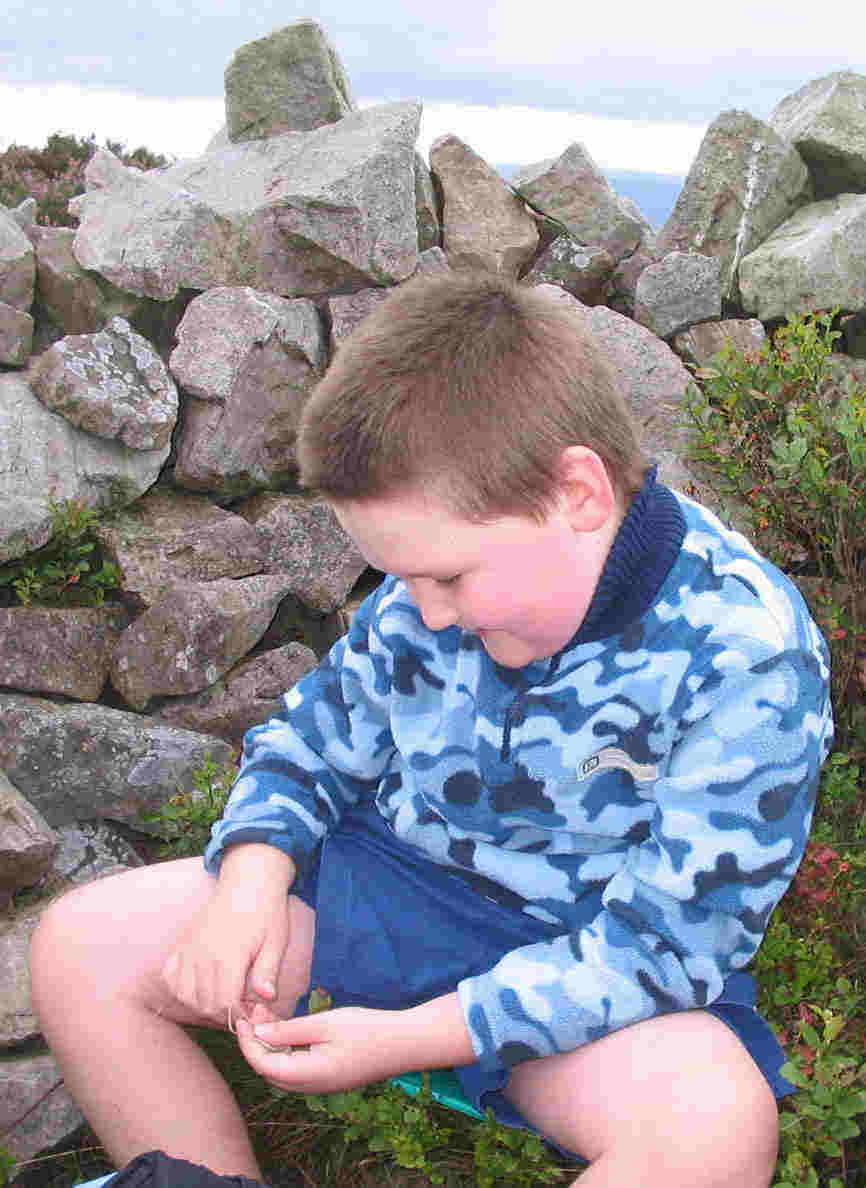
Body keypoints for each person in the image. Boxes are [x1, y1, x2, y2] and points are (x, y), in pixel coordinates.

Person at [30, 273, 833, 1188]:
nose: (426, 614)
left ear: (578, 492)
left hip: (584, 968)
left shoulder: (747, 654)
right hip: (388, 891)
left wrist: (403, 1040)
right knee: (81, 945)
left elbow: (670, 948)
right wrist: (251, 880)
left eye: (448, 579)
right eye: (399, 578)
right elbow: (309, 741)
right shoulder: (428, 587)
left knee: (715, 1123)